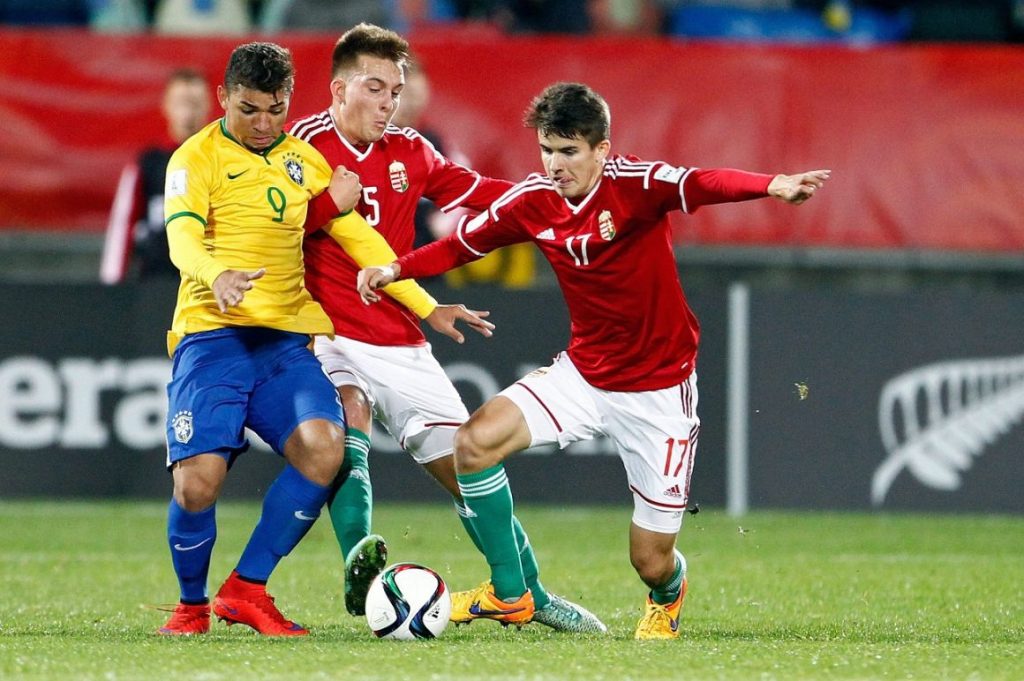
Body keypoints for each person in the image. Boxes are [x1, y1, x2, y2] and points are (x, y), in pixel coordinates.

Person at [358, 81, 831, 638]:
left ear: (601, 149)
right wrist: (395, 269)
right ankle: (511, 594)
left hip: (658, 392)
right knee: (473, 443)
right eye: (546, 150)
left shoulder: (635, 184)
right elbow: (464, 243)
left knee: (650, 561)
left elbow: (701, 183)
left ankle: (669, 594)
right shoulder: (533, 200)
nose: (555, 164)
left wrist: (772, 184)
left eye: (569, 151)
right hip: (583, 375)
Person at [288, 23, 606, 633]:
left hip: (402, 339)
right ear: (338, 88)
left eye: (396, 90)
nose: (389, 102)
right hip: (324, 329)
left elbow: (472, 192)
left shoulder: (412, 150)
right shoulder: (300, 147)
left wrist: (543, 200)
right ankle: (359, 553)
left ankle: (530, 593)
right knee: (345, 408)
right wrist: (329, 204)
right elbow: (274, 231)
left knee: (470, 470)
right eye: (375, 88)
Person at [156, 41, 465, 637]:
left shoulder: (304, 159)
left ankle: (246, 589)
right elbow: (181, 240)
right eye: (250, 110)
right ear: (223, 99)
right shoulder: (193, 160)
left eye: (276, 109)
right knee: (197, 485)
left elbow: (363, 242)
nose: (264, 123)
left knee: (326, 449)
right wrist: (215, 274)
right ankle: (191, 607)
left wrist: (426, 305)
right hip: (212, 339)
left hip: (284, 344)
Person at [100, 68, 211, 284]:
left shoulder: (220, 159)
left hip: (206, 285)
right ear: (166, 105)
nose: (188, 113)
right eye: (181, 103)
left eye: (195, 103)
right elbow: (123, 225)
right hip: (155, 281)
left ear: (208, 105)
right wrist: (112, 284)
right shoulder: (148, 163)